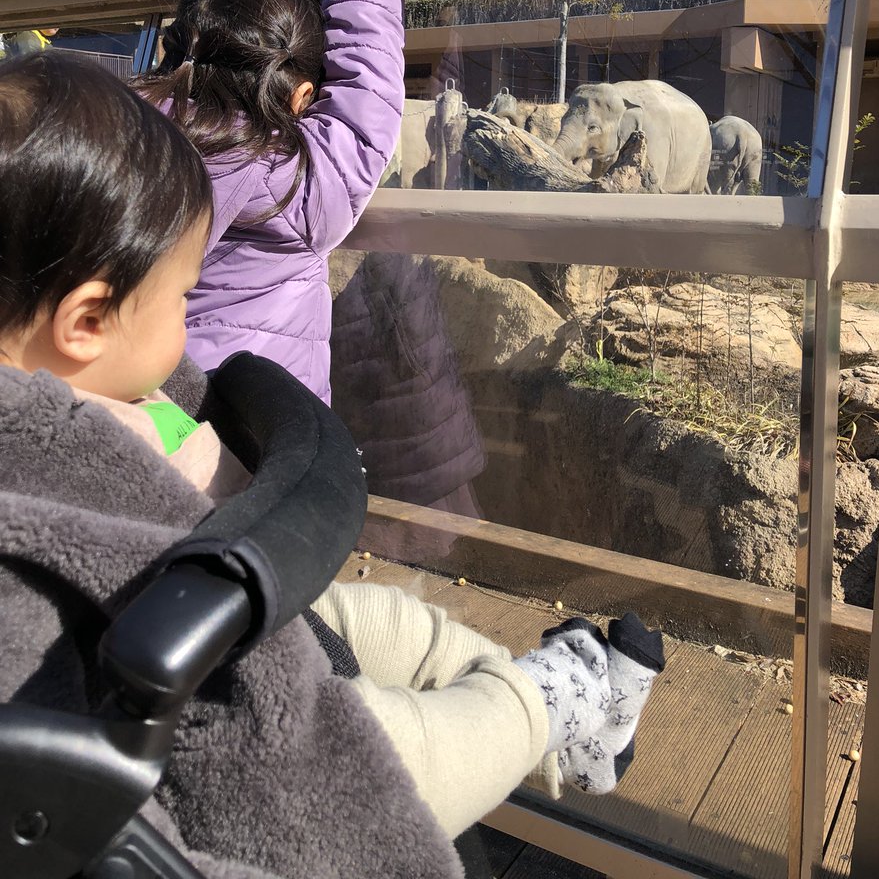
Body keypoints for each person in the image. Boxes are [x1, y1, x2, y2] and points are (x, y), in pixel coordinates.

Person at [0, 51, 665, 875]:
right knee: (394, 744)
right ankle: (546, 700)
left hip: (234, 614)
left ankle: (578, 715)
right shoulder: (67, 457)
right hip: (203, 688)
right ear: (87, 322)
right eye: (180, 299)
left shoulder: (90, 388)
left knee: (395, 624)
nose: (187, 318)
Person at [137, 0, 404, 405]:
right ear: (305, 97)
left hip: (143, 398)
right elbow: (366, 100)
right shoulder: (293, 185)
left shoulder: (132, 134)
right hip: (256, 430)